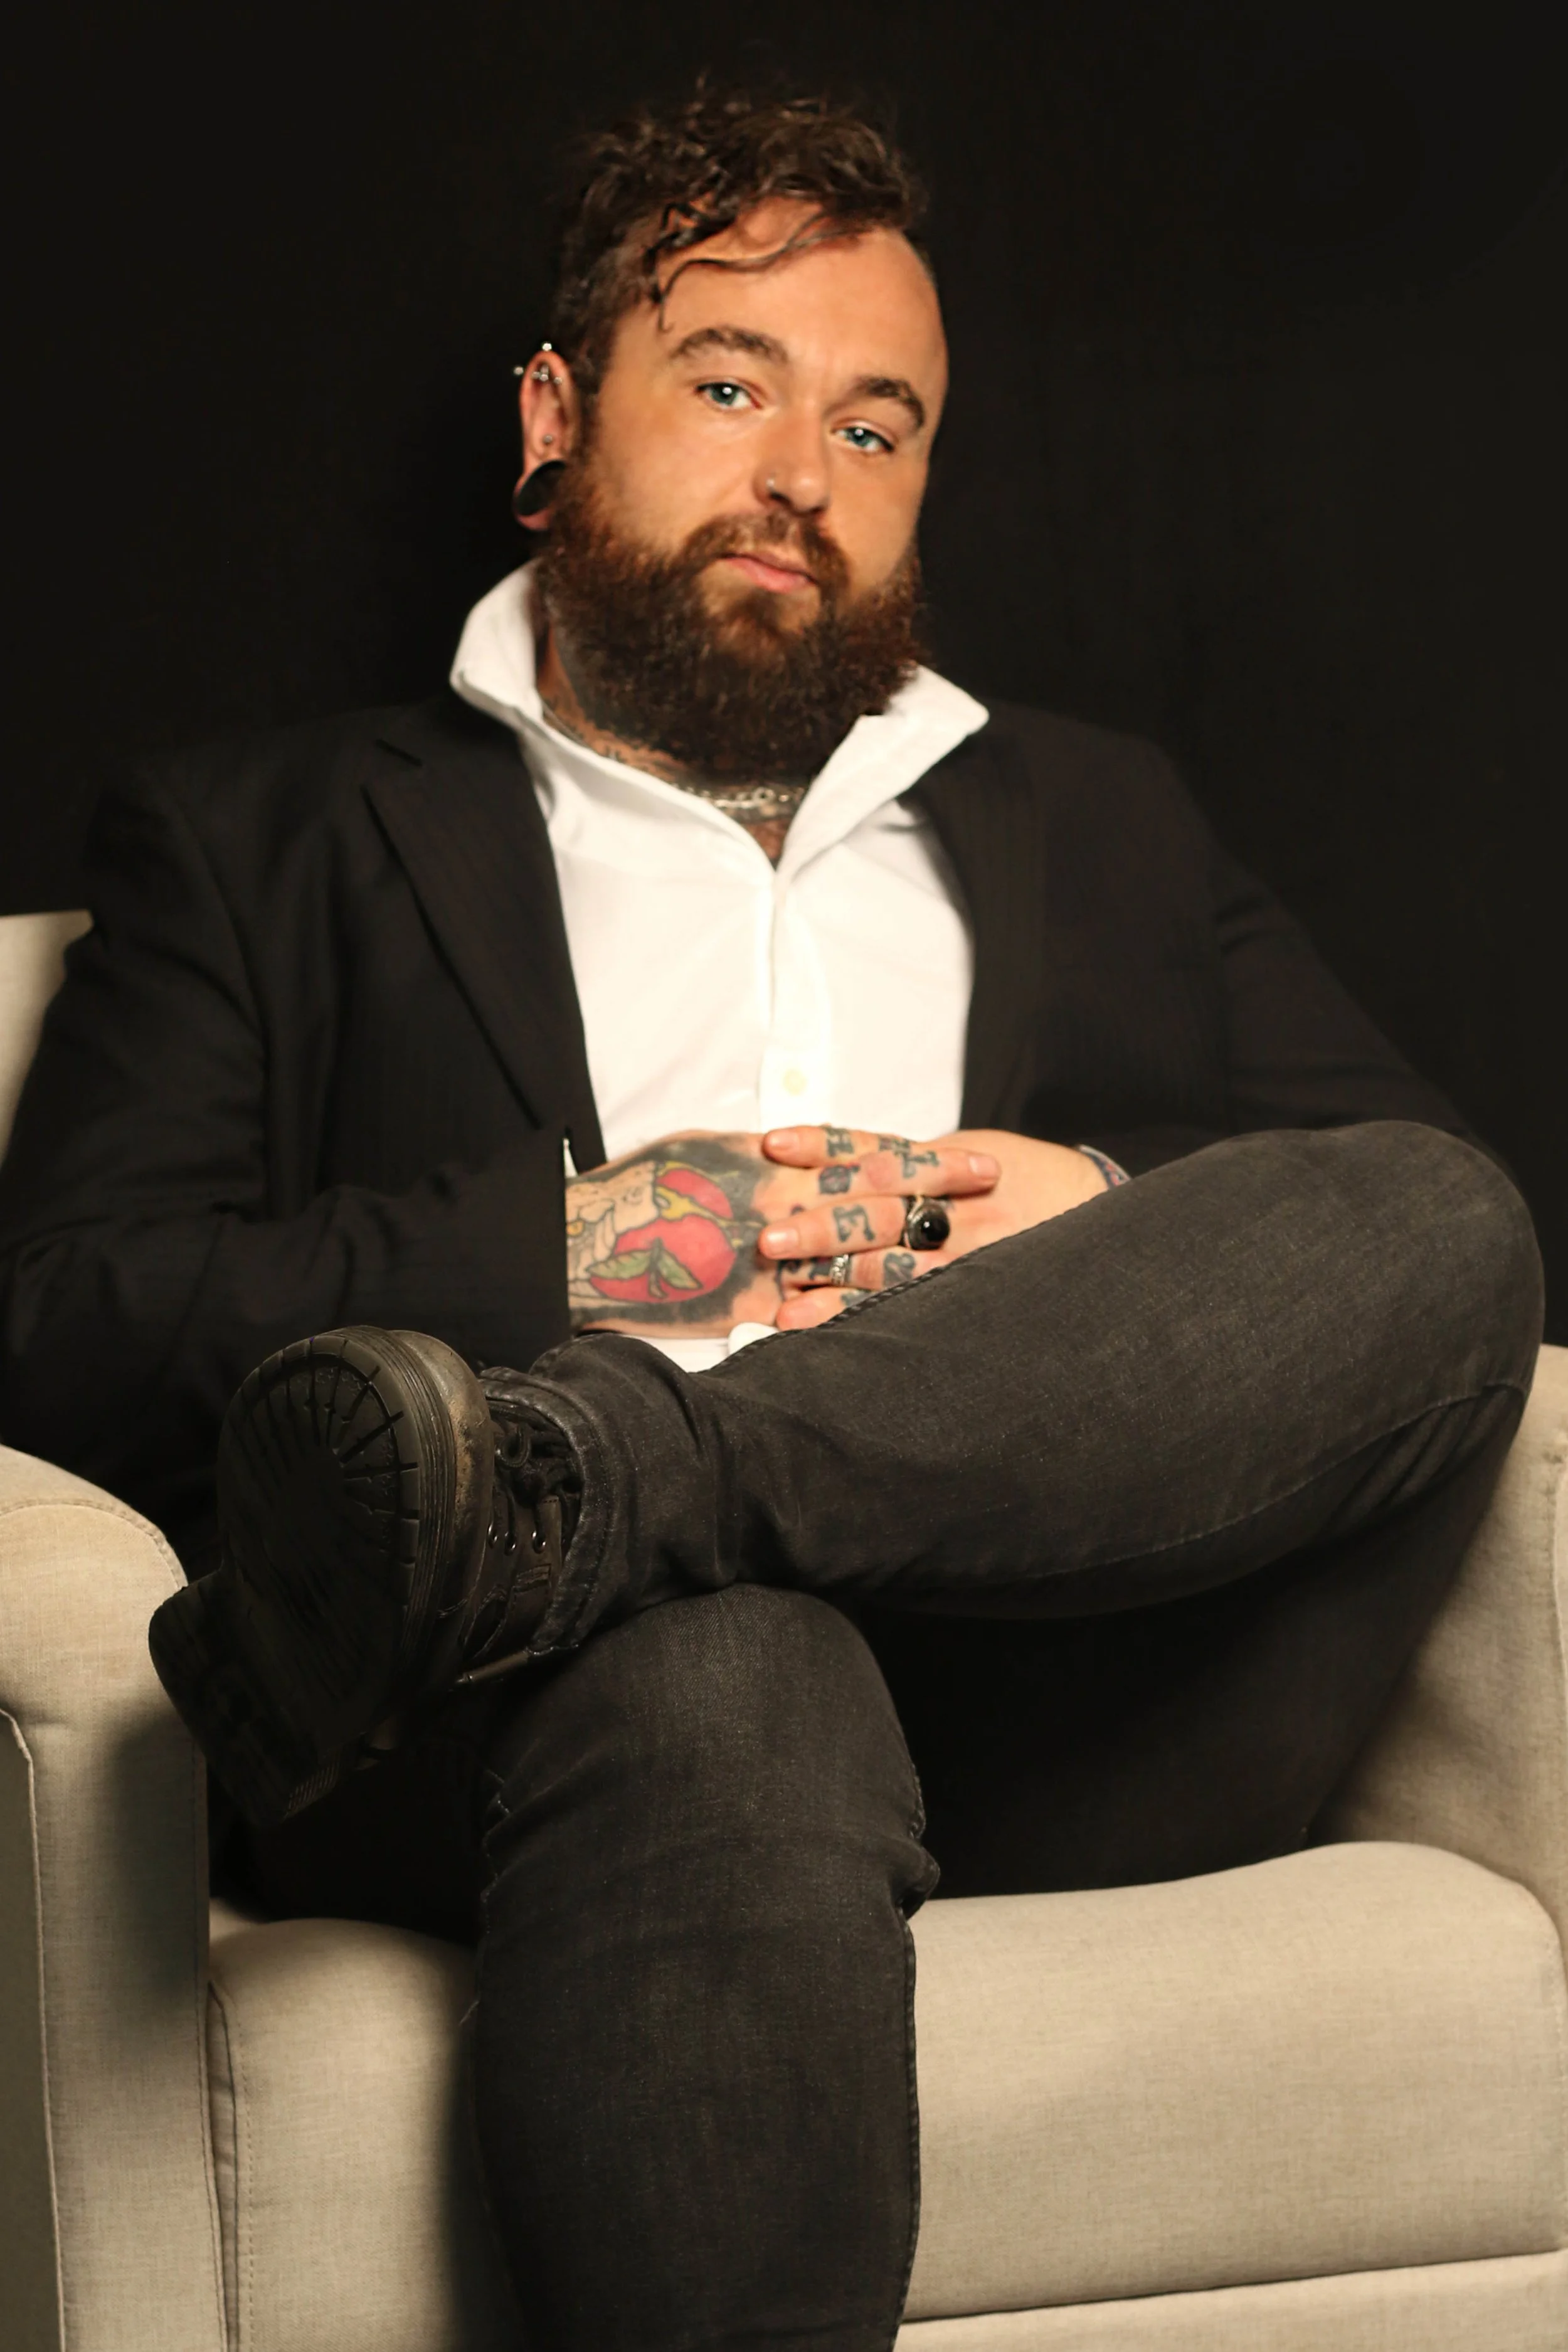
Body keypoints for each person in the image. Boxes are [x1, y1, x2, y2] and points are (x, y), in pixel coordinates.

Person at [0, 85, 1542, 2352]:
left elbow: (1404, 1253)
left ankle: (594, 1492)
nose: (802, 474)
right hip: (530, 1713)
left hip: (1070, 1669)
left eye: (878, 424)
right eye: (730, 383)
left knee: (1446, 1216)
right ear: (556, 416)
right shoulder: (271, 836)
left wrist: (1104, 1217)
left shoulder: (1099, 820)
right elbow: (56, 1318)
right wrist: (611, 1252)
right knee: (735, 1668)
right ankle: (601, 1531)